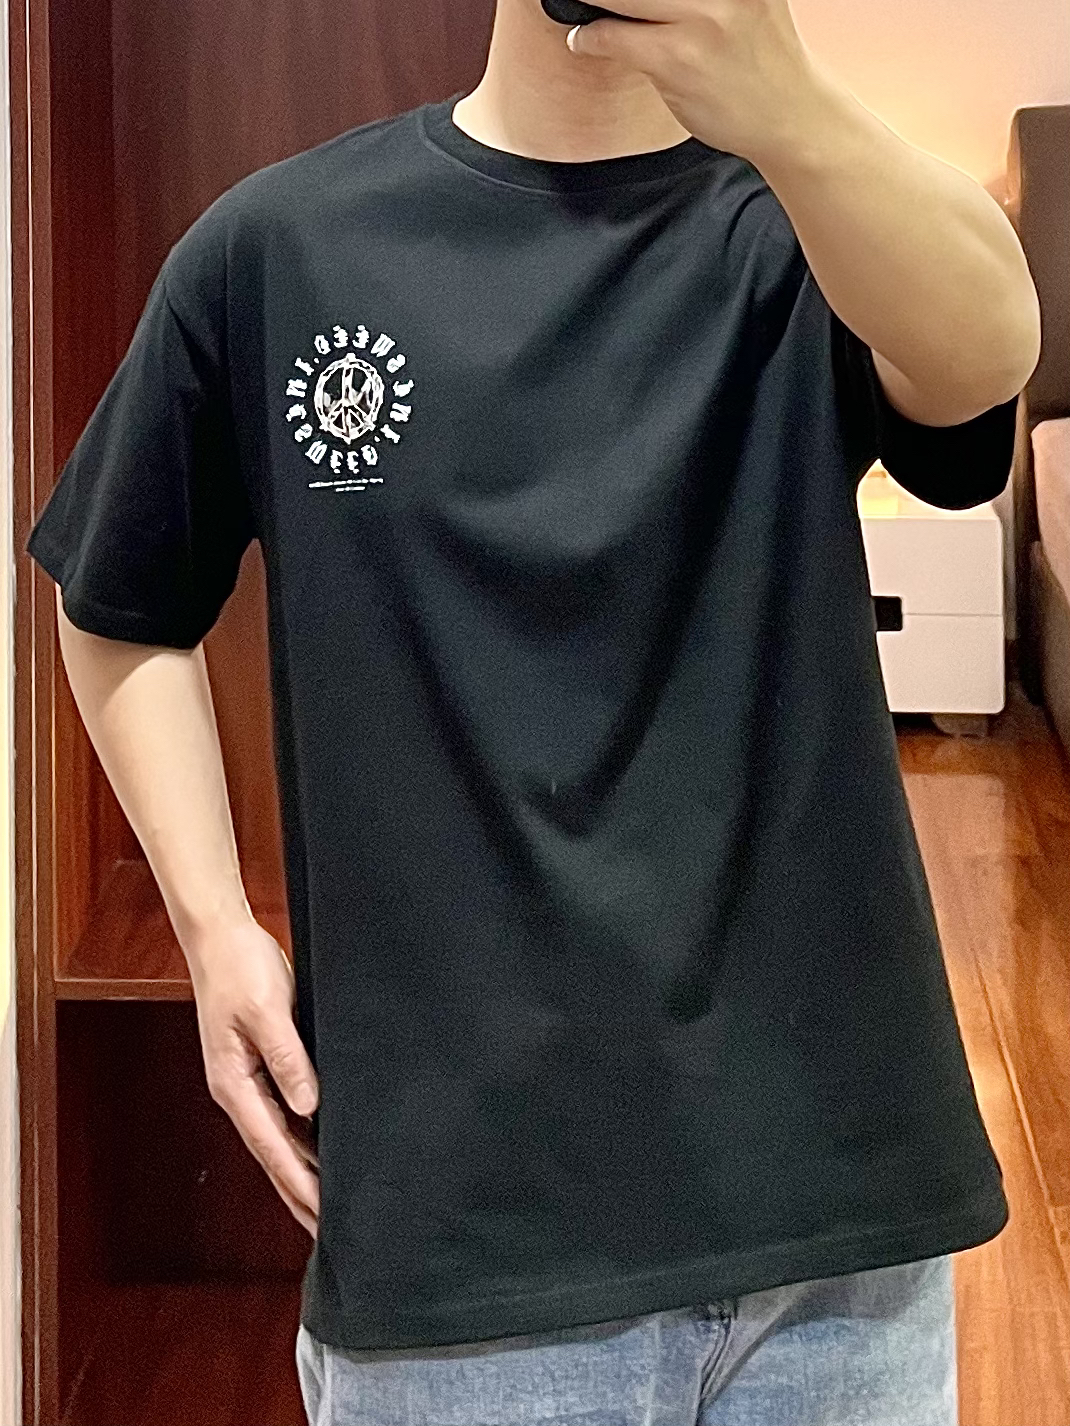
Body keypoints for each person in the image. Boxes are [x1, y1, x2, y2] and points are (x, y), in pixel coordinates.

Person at [26, 0, 1040, 1422]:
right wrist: (213, 932)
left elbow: (989, 352)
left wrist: (784, 103)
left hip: (835, 1224)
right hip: (461, 1237)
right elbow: (117, 600)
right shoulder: (281, 247)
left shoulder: (815, 232)